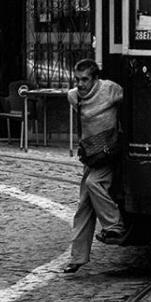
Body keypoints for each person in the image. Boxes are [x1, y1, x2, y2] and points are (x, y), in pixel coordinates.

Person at [63, 59, 127, 274]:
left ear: (95, 78)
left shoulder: (110, 90)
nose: (80, 84)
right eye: (77, 80)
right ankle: (77, 257)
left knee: (93, 183)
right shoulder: (73, 97)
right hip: (92, 155)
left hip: (109, 152)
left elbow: (130, 103)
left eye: (85, 79)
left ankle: (114, 226)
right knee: (84, 206)